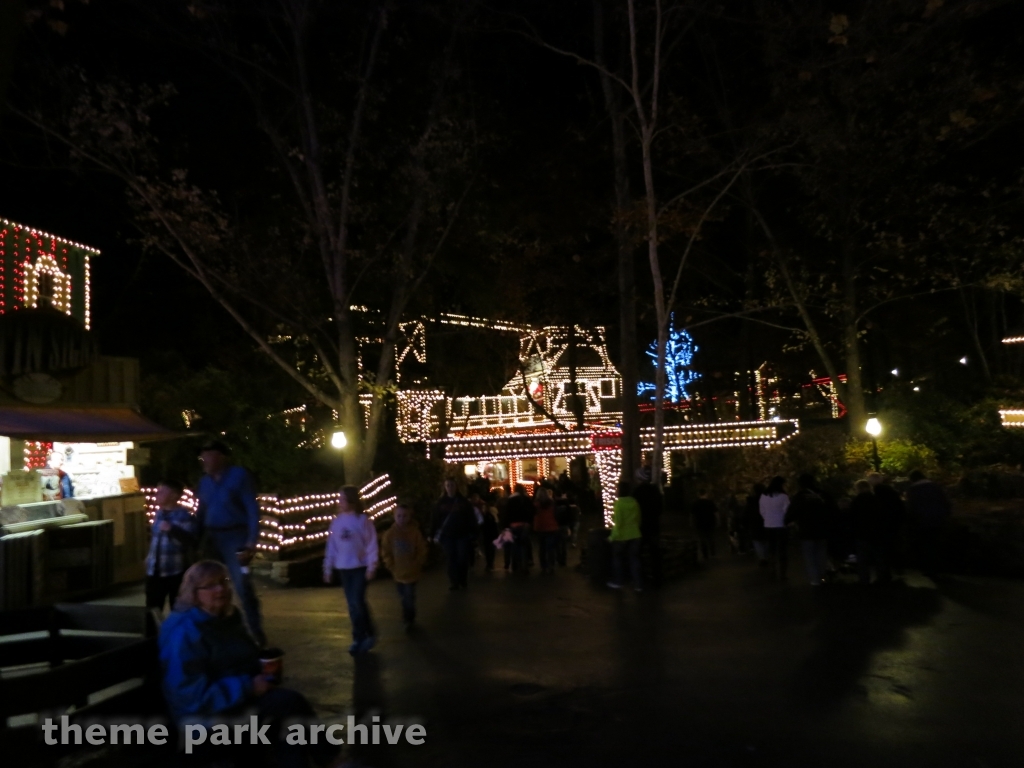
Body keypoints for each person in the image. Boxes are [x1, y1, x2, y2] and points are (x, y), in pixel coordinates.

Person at [160, 560, 332, 768]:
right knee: (288, 705)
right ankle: (333, 761)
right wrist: (248, 686)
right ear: (194, 593)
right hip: (203, 723)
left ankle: (329, 761)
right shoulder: (185, 632)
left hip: (232, 706)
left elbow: (241, 659)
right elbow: (190, 696)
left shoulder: (226, 619)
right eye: (211, 585)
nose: (221, 589)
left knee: (287, 715)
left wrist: (264, 667)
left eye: (223, 581)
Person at [195, 440, 265, 645]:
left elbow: (252, 508)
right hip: (212, 537)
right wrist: (196, 539)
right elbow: (201, 511)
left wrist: (251, 541)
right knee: (205, 585)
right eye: (203, 456)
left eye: (209, 455)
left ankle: (256, 633)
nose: (205, 460)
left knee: (242, 585)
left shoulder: (239, 477)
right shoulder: (204, 482)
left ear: (222, 457)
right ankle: (214, 632)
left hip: (235, 536)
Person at [323, 485, 379, 654]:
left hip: (359, 568)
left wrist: (372, 565)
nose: (339, 502)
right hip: (344, 569)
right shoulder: (337, 522)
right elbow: (331, 546)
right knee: (353, 604)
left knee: (357, 602)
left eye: (342, 499)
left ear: (351, 501)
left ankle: (364, 634)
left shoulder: (363, 521)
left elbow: (371, 544)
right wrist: (328, 567)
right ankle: (361, 636)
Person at [145, 479, 198, 612]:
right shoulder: (159, 514)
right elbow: (156, 538)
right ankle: (153, 633)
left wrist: (172, 529)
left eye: (162, 491)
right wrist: (149, 557)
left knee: (178, 608)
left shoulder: (183, 516)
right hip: (155, 570)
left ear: (174, 495)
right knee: (152, 609)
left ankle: (174, 632)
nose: (158, 494)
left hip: (175, 570)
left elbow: (190, 541)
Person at [380, 503, 428, 632]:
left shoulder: (414, 532)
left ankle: (408, 619)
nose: (402, 519)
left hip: (412, 572)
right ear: (394, 516)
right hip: (398, 572)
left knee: (408, 597)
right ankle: (408, 616)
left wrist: (418, 563)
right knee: (404, 596)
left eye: (405, 516)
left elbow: (421, 549)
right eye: (399, 516)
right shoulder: (390, 534)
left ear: (409, 517)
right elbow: (386, 551)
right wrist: (391, 565)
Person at [430, 479, 478, 590]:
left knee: (462, 558)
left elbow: (471, 518)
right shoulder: (441, 503)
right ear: (445, 487)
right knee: (451, 558)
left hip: (462, 534)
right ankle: (454, 582)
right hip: (448, 535)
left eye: (452, 485)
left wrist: (473, 532)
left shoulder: (463, 502)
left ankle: (462, 579)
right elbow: (435, 519)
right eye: (448, 485)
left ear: (456, 487)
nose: (450, 488)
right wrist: (432, 533)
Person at [905, 470, 951, 578]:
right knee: (936, 544)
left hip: (922, 521)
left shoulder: (913, 490)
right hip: (938, 519)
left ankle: (929, 569)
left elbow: (911, 507)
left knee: (925, 546)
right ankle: (939, 568)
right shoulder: (935, 487)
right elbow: (945, 502)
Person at [786, 474, 830, 586]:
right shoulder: (823, 495)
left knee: (809, 555)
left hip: (806, 529)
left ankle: (815, 579)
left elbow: (792, 512)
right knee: (821, 554)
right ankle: (822, 576)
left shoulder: (800, 497)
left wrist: (788, 520)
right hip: (822, 528)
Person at [851, 478, 889, 584]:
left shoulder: (856, 501)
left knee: (862, 560)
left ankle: (864, 579)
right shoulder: (876, 499)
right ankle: (882, 578)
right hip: (877, 533)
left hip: (862, 533)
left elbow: (852, 518)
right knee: (879, 558)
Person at [868, 472, 907, 573]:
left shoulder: (877, 491)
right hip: (894, 521)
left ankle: (887, 569)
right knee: (894, 545)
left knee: (885, 547)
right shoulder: (890, 490)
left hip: (885, 523)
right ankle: (898, 566)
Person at [607, 482, 643, 591]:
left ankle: (618, 581)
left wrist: (612, 537)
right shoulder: (634, 502)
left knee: (618, 559)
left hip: (621, 536)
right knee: (634, 559)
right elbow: (638, 518)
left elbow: (619, 524)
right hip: (635, 534)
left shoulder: (619, 504)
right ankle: (638, 584)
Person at [633, 476, 664, 586]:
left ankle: (642, 577)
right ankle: (657, 577)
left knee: (639, 552)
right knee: (655, 551)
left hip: (641, 526)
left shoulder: (637, 492)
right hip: (653, 524)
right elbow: (660, 508)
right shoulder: (655, 491)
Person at [759, 476, 790, 580]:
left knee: (771, 549)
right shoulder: (783, 496)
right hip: (781, 525)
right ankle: (782, 573)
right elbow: (787, 510)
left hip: (768, 525)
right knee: (782, 550)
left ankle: (772, 570)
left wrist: (767, 518)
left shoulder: (763, 496)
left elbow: (762, 511)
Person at [501, 483, 534, 572]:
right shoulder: (526, 499)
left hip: (513, 525)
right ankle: (525, 564)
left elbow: (507, 514)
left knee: (514, 545)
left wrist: (505, 526)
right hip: (524, 525)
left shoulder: (510, 500)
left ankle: (515, 564)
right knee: (524, 544)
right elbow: (532, 512)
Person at [533, 487, 560, 574]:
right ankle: (551, 565)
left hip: (540, 527)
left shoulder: (536, 504)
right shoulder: (551, 503)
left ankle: (543, 566)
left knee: (542, 548)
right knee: (551, 548)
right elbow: (556, 514)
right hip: (551, 527)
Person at [471, 493, 499, 570]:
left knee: (489, 550)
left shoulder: (487, 516)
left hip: (488, 535)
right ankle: (489, 563)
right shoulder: (487, 516)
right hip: (487, 536)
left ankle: (490, 563)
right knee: (488, 550)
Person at [690, 488, 718, 561]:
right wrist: (718, 521)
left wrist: (692, 523)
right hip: (710, 522)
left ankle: (705, 555)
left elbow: (692, 515)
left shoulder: (695, 503)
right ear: (706, 494)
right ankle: (713, 553)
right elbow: (716, 513)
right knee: (711, 538)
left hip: (700, 523)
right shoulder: (710, 502)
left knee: (702, 539)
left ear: (699, 494)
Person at [745, 483, 768, 566]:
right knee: (766, 540)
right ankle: (766, 556)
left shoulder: (751, 501)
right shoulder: (767, 499)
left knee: (757, 541)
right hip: (766, 521)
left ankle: (762, 557)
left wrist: (745, 522)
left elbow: (747, 512)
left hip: (754, 522)